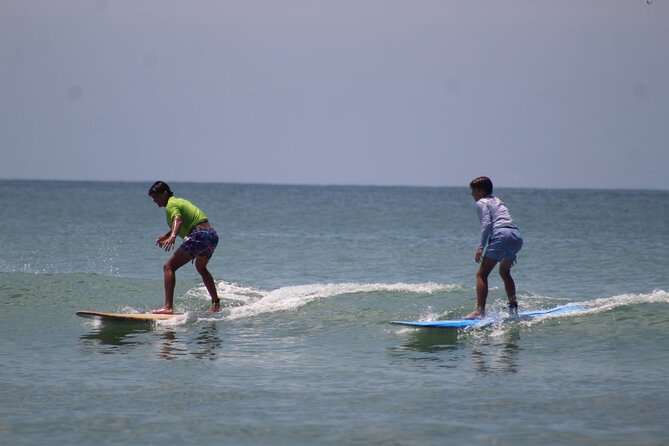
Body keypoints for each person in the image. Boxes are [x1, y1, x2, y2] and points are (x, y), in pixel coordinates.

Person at [148, 181, 221, 314]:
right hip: (211, 236)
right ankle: (216, 303)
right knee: (201, 267)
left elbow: (178, 220)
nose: (155, 201)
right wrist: (167, 235)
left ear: (165, 193)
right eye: (153, 198)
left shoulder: (171, 205)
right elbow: (182, 223)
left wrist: (173, 237)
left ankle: (168, 307)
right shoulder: (178, 202)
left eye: (156, 197)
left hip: (200, 235)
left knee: (168, 267)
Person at [465, 176, 523, 319]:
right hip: (515, 236)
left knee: (481, 274)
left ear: (480, 191)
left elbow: (486, 224)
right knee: (504, 271)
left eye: (473, 191)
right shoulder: (497, 201)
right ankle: (513, 308)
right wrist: (510, 251)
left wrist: (480, 247)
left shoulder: (481, 202)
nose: (472, 194)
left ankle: (479, 311)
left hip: (501, 236)